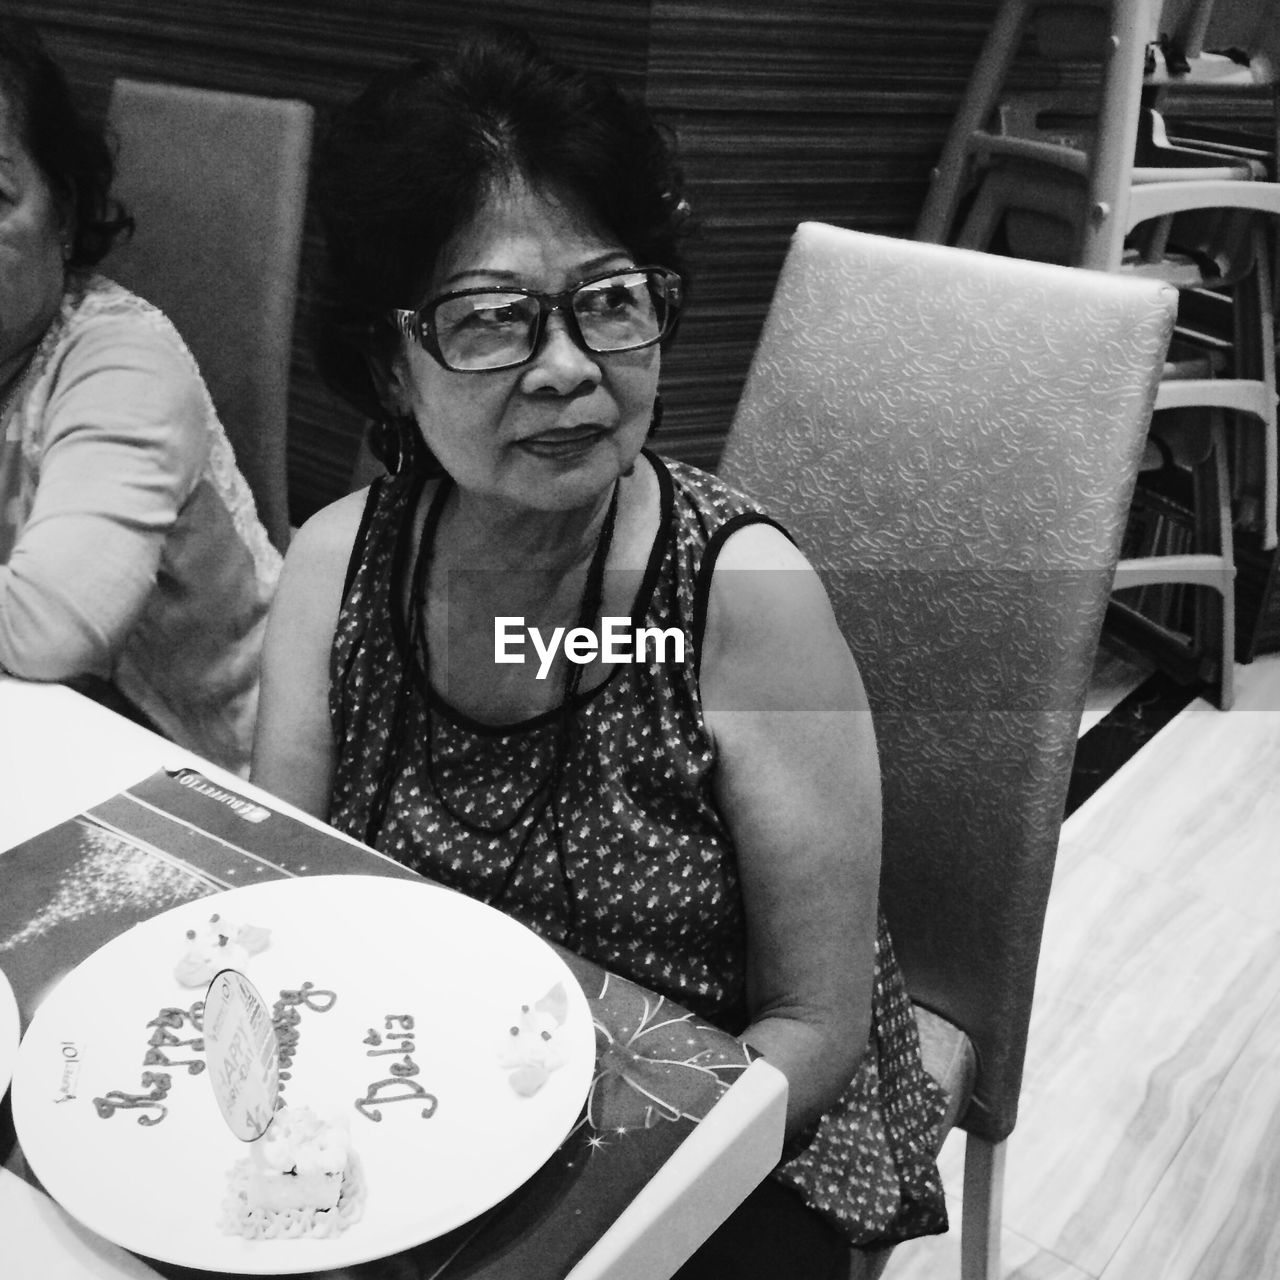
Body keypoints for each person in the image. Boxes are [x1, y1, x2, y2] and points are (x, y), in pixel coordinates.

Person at [252, 26, 945, 1276]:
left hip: (721, 1129)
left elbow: (814, 1023)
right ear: (385, 364)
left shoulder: (743, 596)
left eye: (608, 303)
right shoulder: (333, 564)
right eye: (488, 321)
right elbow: (287, 910)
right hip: (420, 1097)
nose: (568, 370)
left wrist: (591, 1214)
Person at [0, 16, 280, 775]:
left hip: (225, 778)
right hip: (53, 744)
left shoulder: (122, 358)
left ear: (65, 214)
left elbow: (51, 627)